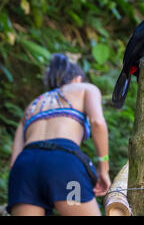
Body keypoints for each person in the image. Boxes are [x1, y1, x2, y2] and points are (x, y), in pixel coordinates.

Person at [8, 53, 111, 216]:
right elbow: (97, 123)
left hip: (25, 170)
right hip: (63, 165)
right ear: (78, 78)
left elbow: (13, 163)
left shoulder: (32, 105)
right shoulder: (85, 88)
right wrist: (103, 168)